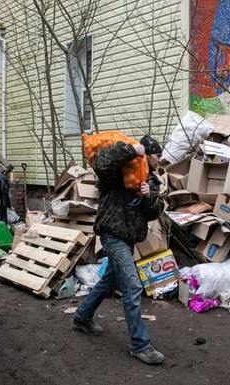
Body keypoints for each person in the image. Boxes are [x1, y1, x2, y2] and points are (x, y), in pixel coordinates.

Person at [72, 135, 164, 365]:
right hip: (113, 235)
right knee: (132, 286)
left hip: (129, 239)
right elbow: (102, 163)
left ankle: (82, 316)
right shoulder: (117, 172)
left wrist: (147, 197)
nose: (160, 160)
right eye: (157, 155)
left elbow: (155, 211)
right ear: (146, 154)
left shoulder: (151, 180)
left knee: (108, 282)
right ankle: (139, 345)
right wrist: (132, 150)